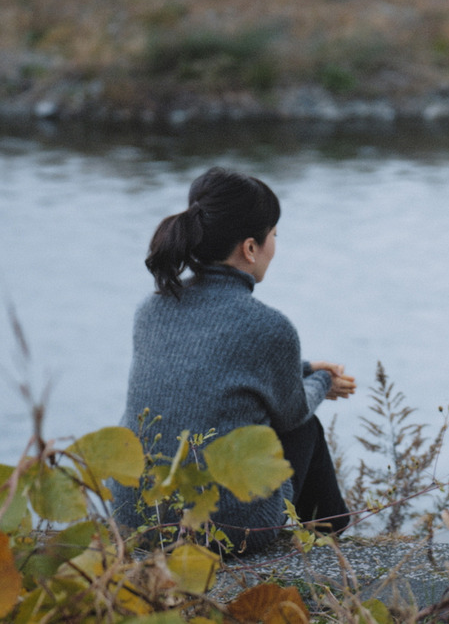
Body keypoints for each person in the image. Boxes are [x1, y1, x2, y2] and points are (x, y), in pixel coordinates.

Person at [112, 166, 356, 554]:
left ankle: (334, 533)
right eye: (274, 235)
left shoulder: (152, 308)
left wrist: (308, 370)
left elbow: (210, 370)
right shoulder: (269, 326)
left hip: (138, 519)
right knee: (303, 428)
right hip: (224, 528)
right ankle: (334, 538)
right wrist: (322, 384)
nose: (275, 245)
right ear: (250, 248)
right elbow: (291, 414)